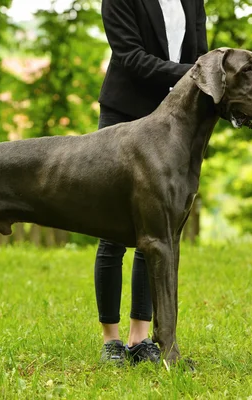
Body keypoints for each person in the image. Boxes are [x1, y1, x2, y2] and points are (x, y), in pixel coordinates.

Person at [95, 0, 208, 364]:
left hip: (175, 118)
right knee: (112, 233)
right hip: (125, 112)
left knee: (156, 233)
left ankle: (140, 340)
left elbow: (202, 56)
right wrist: (190, 76)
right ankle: (111, 341)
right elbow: (130, 56)